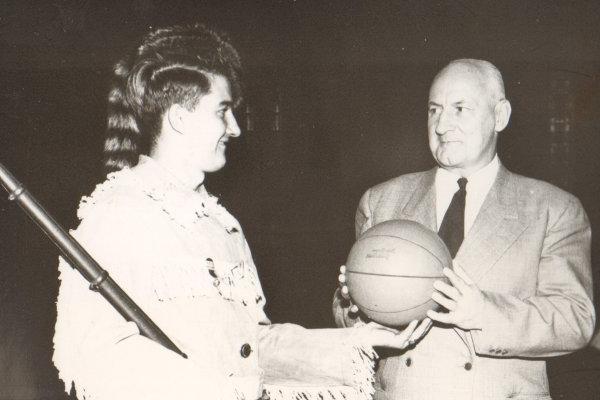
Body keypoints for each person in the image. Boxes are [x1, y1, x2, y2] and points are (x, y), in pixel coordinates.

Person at [52, 24, 429, 400]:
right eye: (223, 111)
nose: (234, 129)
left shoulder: (220, 224)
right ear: (179, 118)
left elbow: (252, 348)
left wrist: (357, 340)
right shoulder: (116, 215)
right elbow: (97, 359)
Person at [334, 59, 595, 399]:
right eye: (434, 110)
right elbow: (349, 315)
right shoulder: (381, 200)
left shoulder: (553, 208)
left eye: (460, 109)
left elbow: (576, 320)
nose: (442, 125)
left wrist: (483, 311)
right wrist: (352, 306)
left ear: (500, 116)